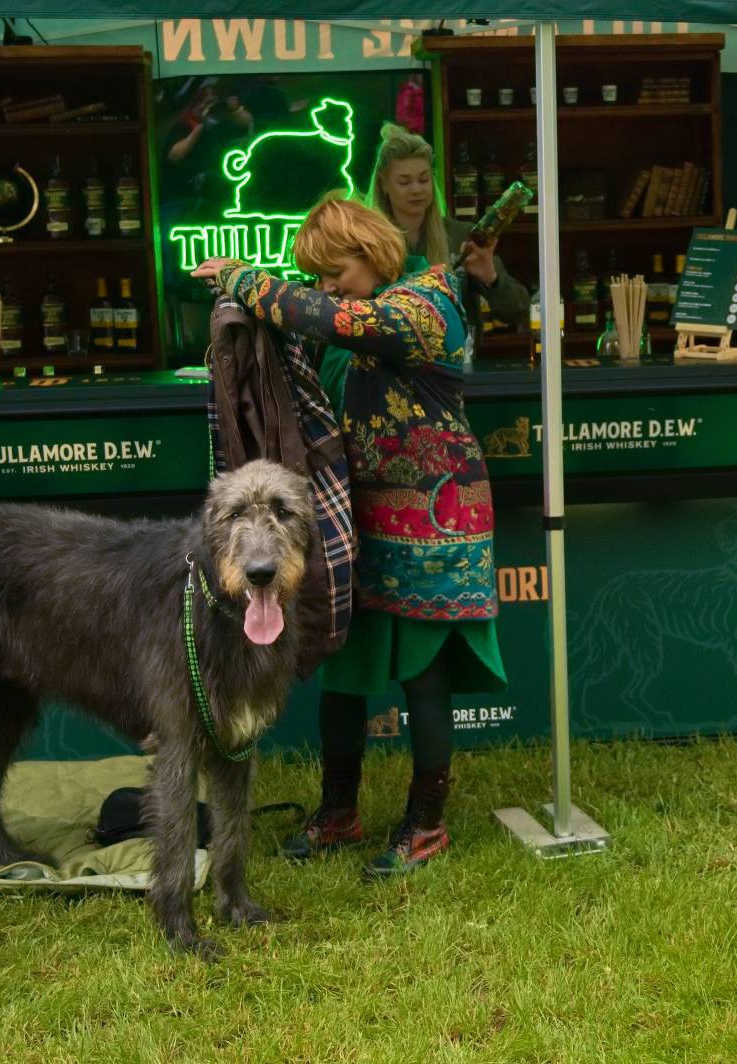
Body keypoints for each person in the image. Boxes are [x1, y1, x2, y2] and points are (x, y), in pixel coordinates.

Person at [193, 192, 506, 877]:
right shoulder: (357, 309)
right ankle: (339, 811)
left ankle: (426, 825)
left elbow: (336, 317)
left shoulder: (428, 303)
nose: (326, 284)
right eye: (319, 274)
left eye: (334, 269)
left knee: (423, 675)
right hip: (354, 519)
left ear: (369, 250)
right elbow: (308, 326)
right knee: (345, 664)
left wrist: (247, 279)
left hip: (436, 520)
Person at [367, 122, 531, 355]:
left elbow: (518, 310)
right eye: (404, 182)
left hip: (455, 371)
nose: (416, 189)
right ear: (384, 184)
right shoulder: (367, 243)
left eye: (424, 180)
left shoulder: (461, 236)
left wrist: (490, 277)